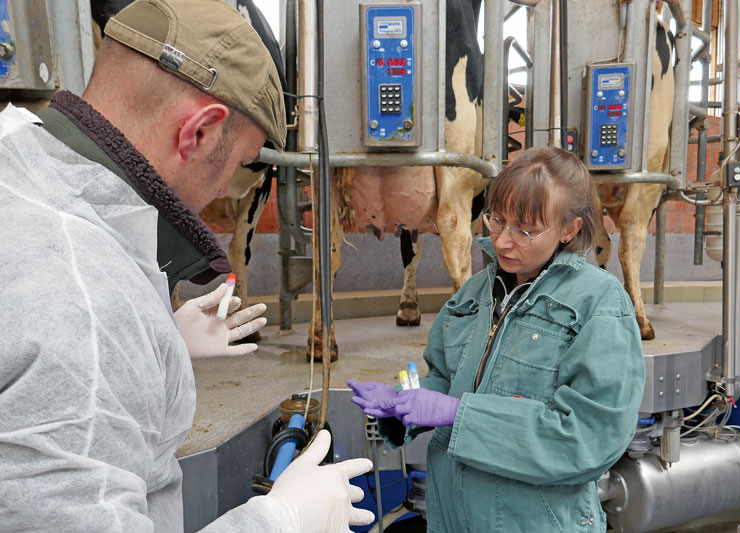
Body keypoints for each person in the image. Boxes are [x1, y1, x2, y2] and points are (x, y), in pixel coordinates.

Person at [0, 0, 373, 531]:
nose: (227, 189)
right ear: (198, 132)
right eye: (241, 165)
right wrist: (280, 518)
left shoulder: (17, 159)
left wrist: (158, 339)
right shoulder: (88, 309)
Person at [349, 146, 645, 532]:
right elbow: (448, 378)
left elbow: (586, 440)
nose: (504, 241)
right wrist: (404, 401)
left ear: (569, 228)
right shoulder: (474, 293)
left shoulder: (599, 304)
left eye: (525, 230)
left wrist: (458, 414)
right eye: (497, 220)